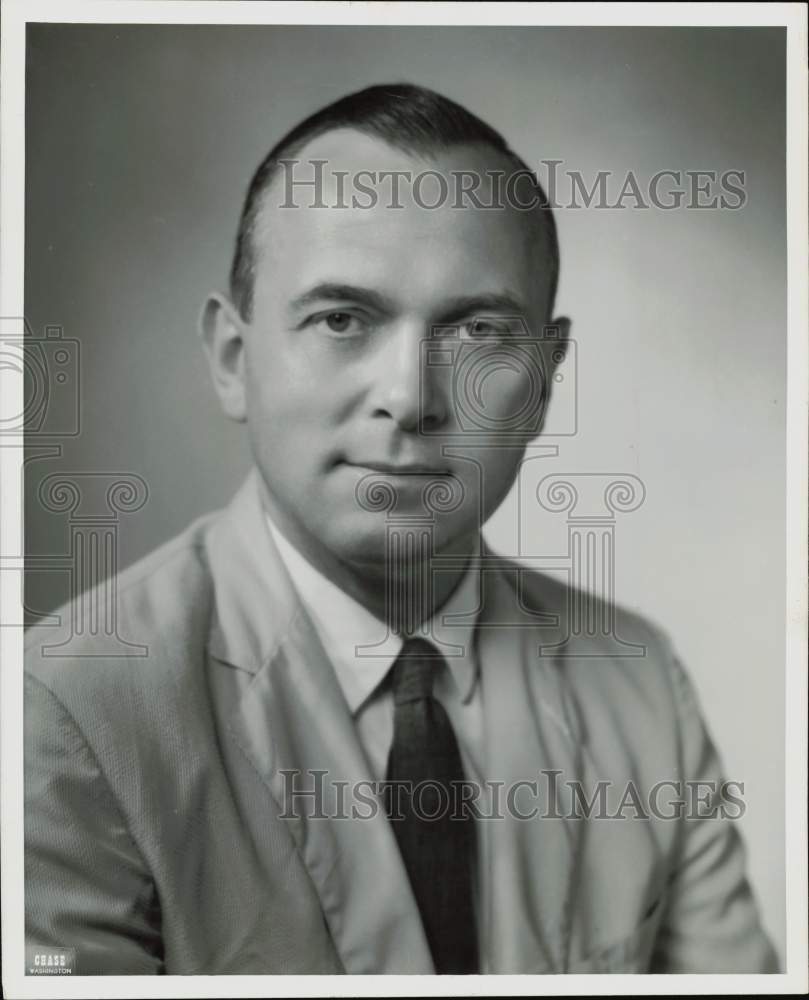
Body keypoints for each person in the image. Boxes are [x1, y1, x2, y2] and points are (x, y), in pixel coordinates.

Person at [24, 83, 778, 975]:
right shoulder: (68, 713)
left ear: (541, 384)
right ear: (233, 360)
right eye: (341, 319)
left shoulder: (641, 687)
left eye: (476, 332)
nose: (413, 398)